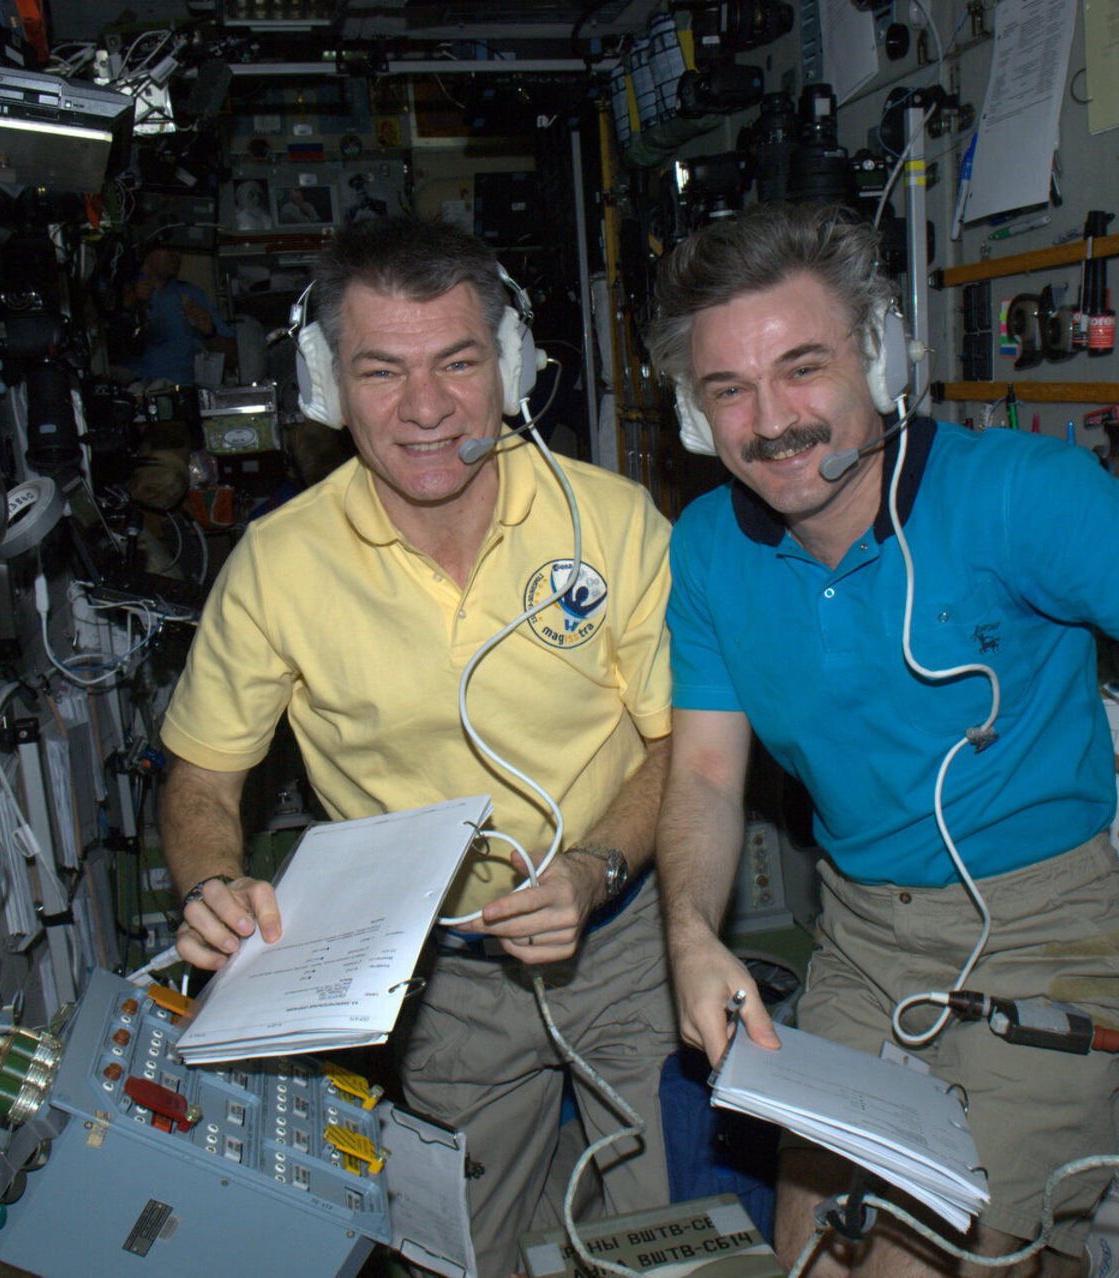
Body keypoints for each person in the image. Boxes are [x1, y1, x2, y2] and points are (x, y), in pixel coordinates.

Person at [646, 202, 1119, 1278]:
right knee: (810, 1255)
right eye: (730, 389)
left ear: (881, 356)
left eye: (804, 368)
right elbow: (711, 777)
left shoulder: (1018, 496)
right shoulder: (712, 547)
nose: (773, 420)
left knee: (921, 1264)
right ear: (694, 413)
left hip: (1048, 936)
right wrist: (687, 932)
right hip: (862, 940)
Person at [158, 217, 678, 1278]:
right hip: (436, 971)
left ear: (512, 367)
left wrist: (596, 867)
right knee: (466, 1258)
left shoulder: (614, 522)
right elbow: (205, 775)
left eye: (458, 362)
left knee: (668, 1240)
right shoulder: (279, 565)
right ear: (326, 385)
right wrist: (212, 879)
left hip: (624, 935)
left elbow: (683, 748)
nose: (428, 408)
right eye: (381, 371)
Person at [124, 245, 232, 384]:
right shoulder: (124, 295)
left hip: (185, 391)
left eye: (178, 248)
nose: (175, 255)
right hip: (137, 390)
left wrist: (210, 333)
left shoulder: (192, 295)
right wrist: (133, 305)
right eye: (167, 247)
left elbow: (232, 359)